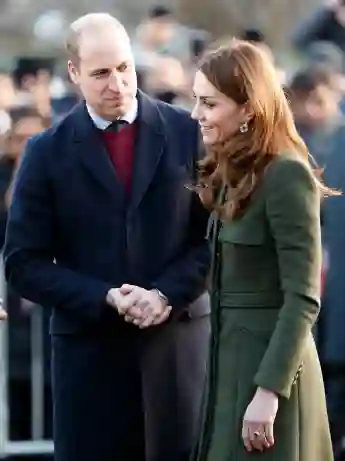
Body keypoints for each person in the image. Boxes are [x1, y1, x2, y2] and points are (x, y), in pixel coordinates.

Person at [3, 13, 211, 461]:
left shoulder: (188, 133)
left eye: (124, 68)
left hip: (177, 358)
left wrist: (165, 295)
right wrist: (104, 298)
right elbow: (23, 264)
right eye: (100, 73)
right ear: (74, 73)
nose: (117, 83)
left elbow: (213, 239)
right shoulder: (46, 153)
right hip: (89, 365)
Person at [190, 39, 334, 461]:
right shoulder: (233, 171)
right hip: (228, 372)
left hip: (270, 384)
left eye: (210, 104)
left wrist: (269, 391)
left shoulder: (286, 174)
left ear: (248, 108)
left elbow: (303, 297)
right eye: (196, 101)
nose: (197, 114)